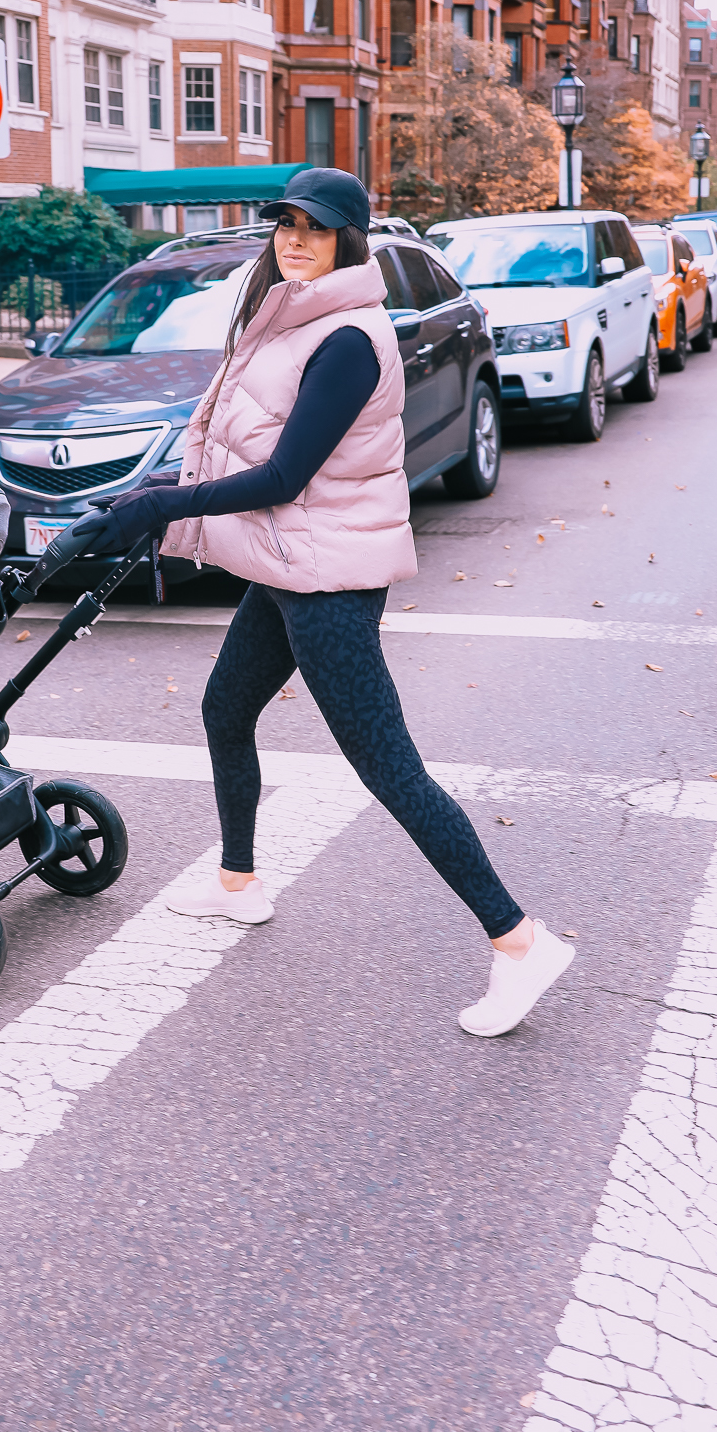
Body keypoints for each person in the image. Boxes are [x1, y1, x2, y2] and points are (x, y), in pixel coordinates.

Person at [66, 166, 572, 1039]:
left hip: (328, 579)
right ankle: (238, 884)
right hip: (286, 563)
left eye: (316, 226)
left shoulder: (347, 340)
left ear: (350, 237)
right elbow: (235, 442)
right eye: (284, 223)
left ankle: (519, 942)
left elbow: (284, 476)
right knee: (226, 709)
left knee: (389, 770)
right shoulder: (290, 316)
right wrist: (148, 492)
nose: (294, 238)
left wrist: (150, 511)